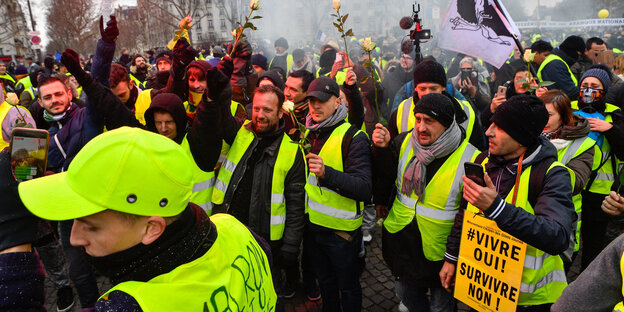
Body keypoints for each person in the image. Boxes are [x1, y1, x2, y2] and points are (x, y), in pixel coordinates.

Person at [6, 126, 277, 311]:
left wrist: (14, 254)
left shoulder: (131, 305)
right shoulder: (236, 229)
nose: (75, 239)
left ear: (151, 228)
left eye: (91, 226)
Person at [459, 94, 575, 311]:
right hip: (483, 288)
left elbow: (557, 236)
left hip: (529, 300)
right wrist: (451, 257)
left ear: (522, 136)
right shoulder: (482, 159)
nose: (488, 132)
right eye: (491, 122)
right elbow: (464, 212)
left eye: (500, 127)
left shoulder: (552, 174)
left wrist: (497, 208)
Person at [372, 93, 480, 312]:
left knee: (441, 307)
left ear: (447, 123)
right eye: (418, 119)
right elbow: (386, 175)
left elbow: (470, 214)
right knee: (406, 296)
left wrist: (453, 257)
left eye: (429, 121)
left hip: (442, 252)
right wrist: (382, 150)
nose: (420, 127)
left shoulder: (473, 159)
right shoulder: (404, 141)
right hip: (403, 244)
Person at [212, 85, 306, 300]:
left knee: (265, 295)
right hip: (230, 230)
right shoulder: (242, 132)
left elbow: (295, 205)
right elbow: (219, 116)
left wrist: (291, 246)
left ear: (281, 112)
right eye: (256, 109)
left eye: (267, 110)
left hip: (265, 240)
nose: (259, 115)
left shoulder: (292, 151)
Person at [304, 76, 372, 311]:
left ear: (337, 101)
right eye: (311, 101)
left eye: (322, 101)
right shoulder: (309, 132)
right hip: (315, 229)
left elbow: (364, 188)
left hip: (342, 235)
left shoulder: (353, 137)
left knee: (348, 288)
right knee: (326, 284)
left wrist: (327, 174)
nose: (315, 106)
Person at [570, 65, 624, 270]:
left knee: (593, 244)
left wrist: (610, 129)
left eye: (595, 86)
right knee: (569, 238)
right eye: (585, 85)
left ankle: (585, 280)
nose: (589, 90)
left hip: (599, 192)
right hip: (571, 186)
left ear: (605, 89)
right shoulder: (568, 108)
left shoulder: (615, 115)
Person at [539, 89, 598, 271]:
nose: (542, 120)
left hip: (562, 221)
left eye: (548, 115)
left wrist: (545, 159)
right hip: (529, 219)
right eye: (540, 113)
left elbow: (577, 181)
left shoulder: (584, 145)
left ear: (563, 117)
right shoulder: (529, 135)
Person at [390, 60, 485, 151]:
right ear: (415, 88)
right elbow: (392, 150)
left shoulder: (465, 111)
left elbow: (478, 149)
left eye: (433, 88)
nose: (428, 93)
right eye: (422, 89)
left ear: (443, 87)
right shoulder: (402, 111)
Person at [533, 36, 586, 101]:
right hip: (564, 107)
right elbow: (569, 91)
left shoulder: (556, 61)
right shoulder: (555, 64)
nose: (577, 58)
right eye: (578, 54)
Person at [381, 42, 415, 121]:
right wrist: (388, 115)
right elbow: (382, 99)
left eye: (408, 58)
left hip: (413, 122)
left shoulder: (418, 78)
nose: (404, 60)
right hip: (394, 121)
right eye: (402, 57)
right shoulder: (390, 77)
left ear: (414, 60)